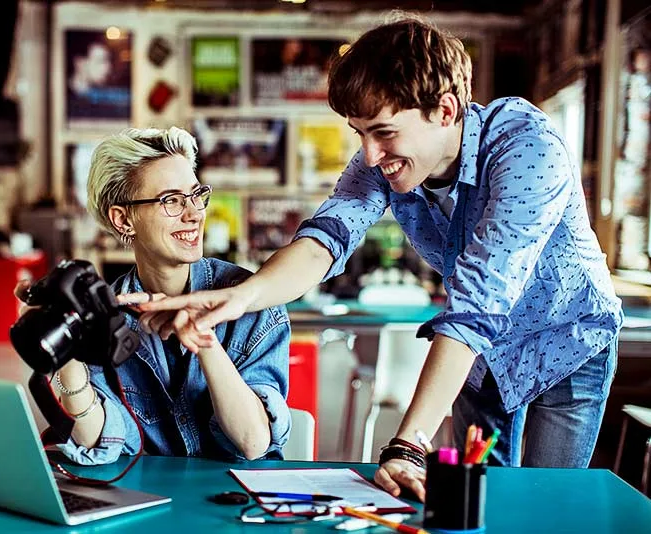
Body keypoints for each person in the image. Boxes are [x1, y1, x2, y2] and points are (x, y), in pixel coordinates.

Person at [126, 16, 624, 500]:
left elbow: (479, 302)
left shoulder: (526, 146)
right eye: (358, 132)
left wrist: (409, 444)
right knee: (474, 503)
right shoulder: (386, 160)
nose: (368, 154)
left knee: (546, 506)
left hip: (564, 345)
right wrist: (239, 296)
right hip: (479, 360)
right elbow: (324, 239)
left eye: (382, 132)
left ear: (445, 110)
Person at [16, 127, 291, 465]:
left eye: (195, 195)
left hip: (243, 506)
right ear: (123, 219)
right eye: (172, 201)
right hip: (154, 501)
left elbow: (253, 442)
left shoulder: (250, 300)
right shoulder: (106, 315)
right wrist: (67, 342)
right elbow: (96, 439)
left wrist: (203, 337)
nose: (193, 213)